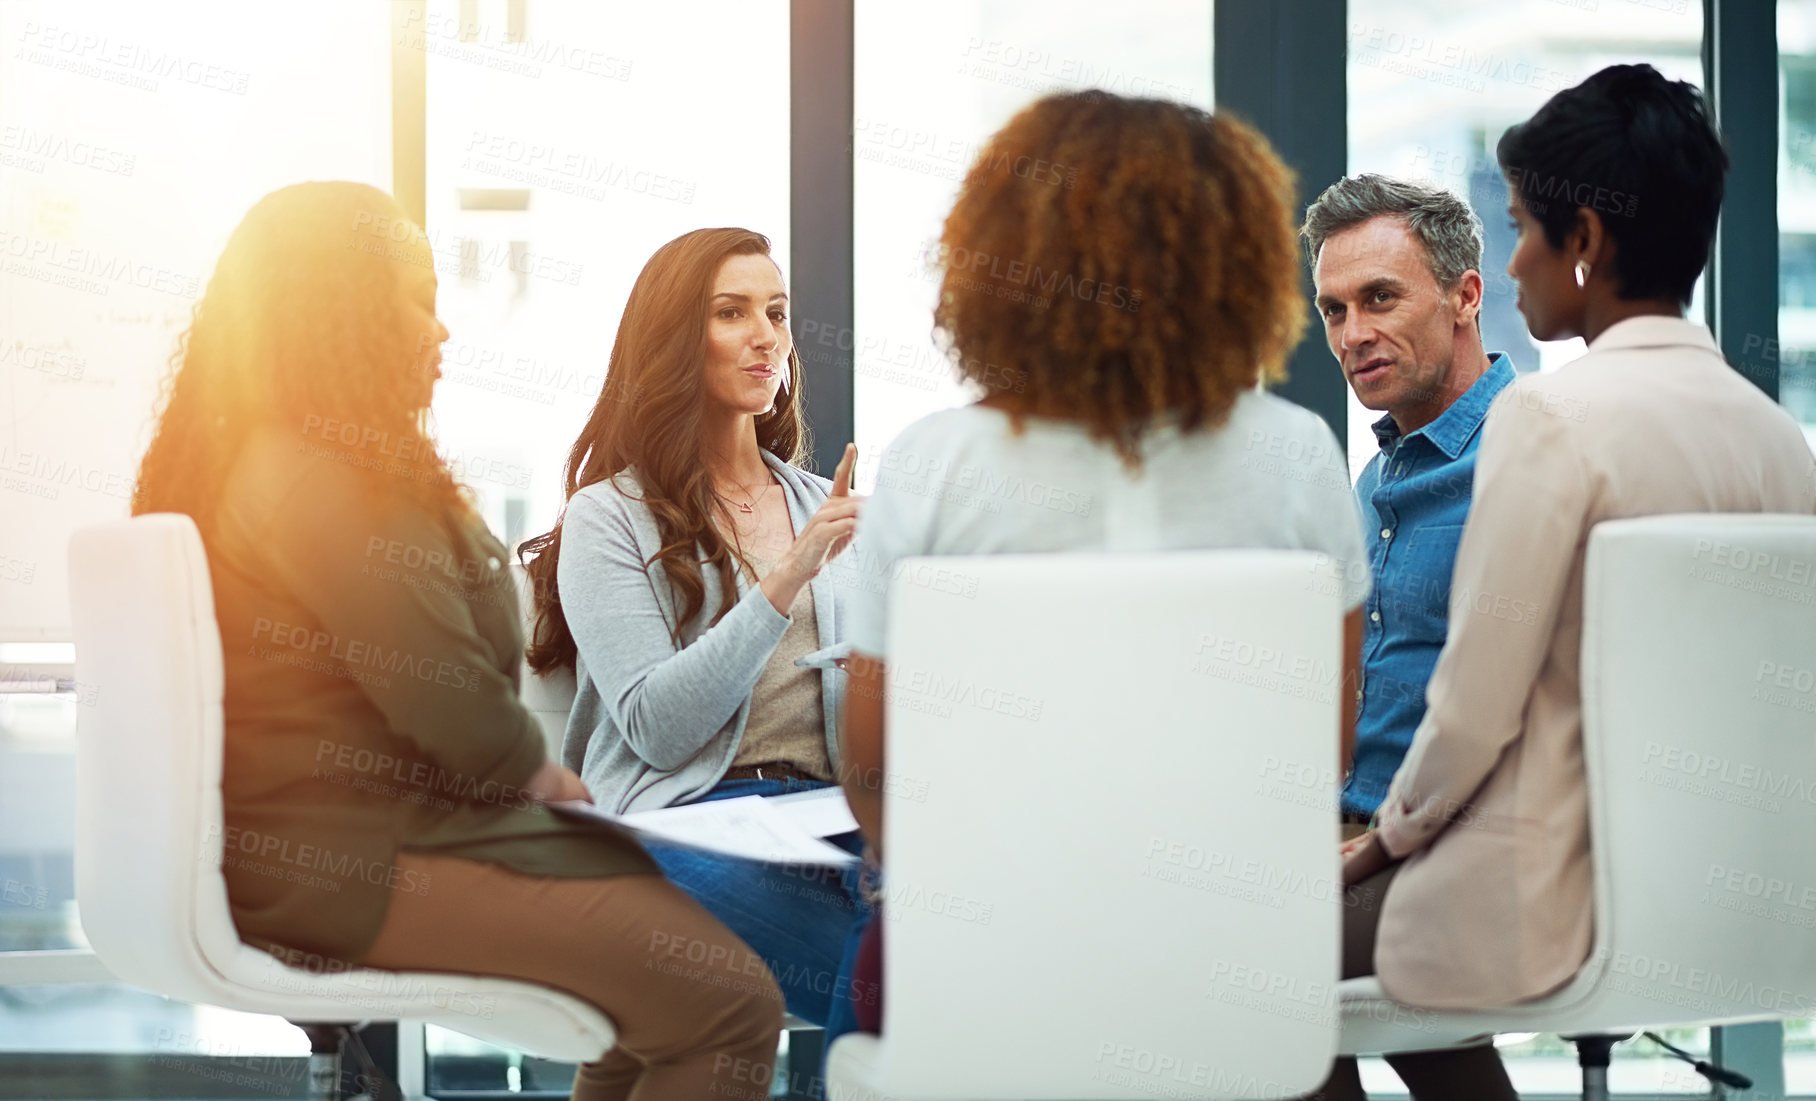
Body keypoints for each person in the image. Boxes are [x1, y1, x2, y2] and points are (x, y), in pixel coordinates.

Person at [133, 182, 782, 1100]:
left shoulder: (279, 459)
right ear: (343, 312)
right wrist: (548, 779)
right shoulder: (319, 478)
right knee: (728, 1001)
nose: (441, 334)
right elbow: (445, 694)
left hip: (342, 846)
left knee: (664, 1004)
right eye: (419, 305)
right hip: (351, 862)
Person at [1313, 64, 1816, 1101]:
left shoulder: (1545, 422)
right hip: (1737, 902)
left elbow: (1474, 709)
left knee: (1234, 949)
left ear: (1584, 240)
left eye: (1526, 231)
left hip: (1548, 894)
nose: (1517, 259)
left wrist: (1377, 846)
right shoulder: (1782, 445)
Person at [836, 89, 1372, 1032]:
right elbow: (1312, 765)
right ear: (1230, 267)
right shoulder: (1299, 455)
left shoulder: (933, 466)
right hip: (1232, 971)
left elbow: (878, 774)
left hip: (982, 973)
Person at [519, 228, 873, 1054]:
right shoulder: (609, 517)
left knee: (945, 911)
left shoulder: (829, 503)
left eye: (777, 312)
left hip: (828, 819)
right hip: (682, 825)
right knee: (900, 975)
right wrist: (787, 577)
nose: (766, 335)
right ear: (678, 337)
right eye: (731, 312)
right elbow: (656, 724)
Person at [1300, 176, 1520, 1097]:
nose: (1353, 333)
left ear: (1467, 295)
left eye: (1380, 298)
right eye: (1334, 309)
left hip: (1458, 845)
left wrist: (1381, 840)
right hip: (1360, 831)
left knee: (1226, 952)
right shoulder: (1378, 474)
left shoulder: (1526, 455)